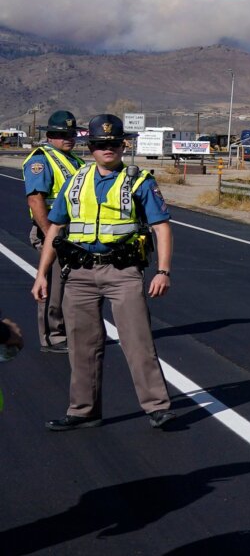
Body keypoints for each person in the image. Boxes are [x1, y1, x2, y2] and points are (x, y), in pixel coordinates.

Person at [32, 113, 175, 430]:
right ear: (90, 147)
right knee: (81, 345)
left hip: (123, 271)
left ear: (123, 145)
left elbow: (161, 227)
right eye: (99, 143)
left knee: (137, 341)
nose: (106, 149)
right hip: (79, 273)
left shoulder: (139, 181)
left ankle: (157, 407)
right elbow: (55, 227)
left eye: (113, 143)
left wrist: (163, 271)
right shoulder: (76, 180)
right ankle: (83, 411)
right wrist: (42, 274)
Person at [22, 109, 82, 352]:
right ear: (49, 135)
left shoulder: (74, 160)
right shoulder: (41, 160)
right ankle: (52, 337)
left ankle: (67, 331)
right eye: (62, 134)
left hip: (73, 232)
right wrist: (50, 235)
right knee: (53, 286)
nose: (68, 138)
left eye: (71, 134)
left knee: (70, 286)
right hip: (52, 231)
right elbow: (35, 199)